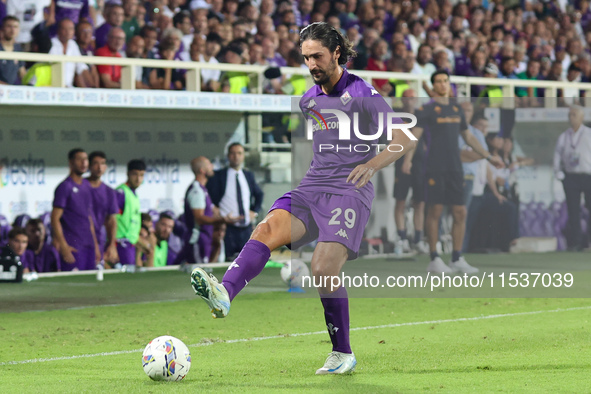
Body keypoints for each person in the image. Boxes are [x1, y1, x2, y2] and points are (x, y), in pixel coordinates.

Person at [191, 22, 416, 375]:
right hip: (312, 186)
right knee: (266, 229)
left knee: (323, 268)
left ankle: (342, 352)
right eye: (306, 57)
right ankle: (225, 293)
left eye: (318, 57)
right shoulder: (308, 100)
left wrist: (371, 164)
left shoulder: (362, 94)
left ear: (337, 53)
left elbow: (406, 138)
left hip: (348, 190)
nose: (311, 65)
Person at [401, 69, 503, 274]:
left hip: (456, 169)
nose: (442, 84)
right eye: (438, 81)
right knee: (435, 211)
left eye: (445, 81)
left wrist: (489, 156)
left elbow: (469, 138)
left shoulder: (457, 109)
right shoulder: (426, 110)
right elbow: (414, 137)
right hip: (435, 168)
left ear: (449, 84)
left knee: (460, 211)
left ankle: (457, 258)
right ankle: (434, 258)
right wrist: (407, 160)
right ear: (433, 86)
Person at [177, 156, 239, 266]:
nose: (212, 167)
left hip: (204, 239)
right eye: (209, 164)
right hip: (197, 239)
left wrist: (227, 216)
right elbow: (199, 218)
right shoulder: (197, 191)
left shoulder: (203, 189)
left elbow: (212, 210)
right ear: (202, 170)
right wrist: (222, 220)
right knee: (199, 273)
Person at [206, 143, 264, 260]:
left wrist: (254, 212)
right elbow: (207, 195)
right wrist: (213, 208)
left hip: (246, 229)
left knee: (247, 263)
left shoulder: (248, 175)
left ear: (243, 156)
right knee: (228, 264)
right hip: (228, 229)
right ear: (228, 156)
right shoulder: (219, 176)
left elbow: (259, 194)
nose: (236, 156)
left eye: (239, 153)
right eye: (232, 153)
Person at [51, 148, 100, 271]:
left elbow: (89, 218)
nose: (84, 163)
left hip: (88, 246)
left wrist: (96, 246)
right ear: (71, 163)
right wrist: (63, 245)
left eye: (86, 160)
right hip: (73, 246)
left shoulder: (87, 186)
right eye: (79, 160)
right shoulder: (65, 187)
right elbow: (55, 218)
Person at [393, 89, 428, 254]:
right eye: (406, 98)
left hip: (419, 164)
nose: (410, 101)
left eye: (412, 98)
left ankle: (418, 239)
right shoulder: (396, 116)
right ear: (402, 100)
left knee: (419, 202)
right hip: (401, 162)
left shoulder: (421, 116)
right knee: (400, 200)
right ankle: (402, 238)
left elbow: (425, 141)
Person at [554, 105, 591, 251]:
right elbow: (557, 155)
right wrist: (558, 171)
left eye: (574, 115)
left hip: (588, 175)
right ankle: (576, 243)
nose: (571, 118)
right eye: (570, 115)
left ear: (582, 117)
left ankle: (589, 241)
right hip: (570, 177)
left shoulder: (588, 134)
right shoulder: (564, 136)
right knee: (573, 210)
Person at [87, 151, 119, 265]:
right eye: (96, 163)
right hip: (81, 240)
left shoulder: (109, 191)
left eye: (102, 163)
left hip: (99, 240)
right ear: (89, 165)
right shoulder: (81, 187)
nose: (99, 167)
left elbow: (112, 220)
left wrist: (112, 245)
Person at [115, 159, 146, 267]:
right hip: (121, 243)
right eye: (135, 174)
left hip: (131, 244)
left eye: (141, 175)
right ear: (128, 174)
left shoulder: (134, 195)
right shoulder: (121, 192)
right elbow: (111, 218)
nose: (138, 179)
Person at [48, 18, 91, 88]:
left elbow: (81, 67)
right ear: (58, 31)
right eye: (65, 29)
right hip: (50, 87)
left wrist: (93, 88)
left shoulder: (73, 45)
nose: (68, 32)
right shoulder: (50, 44)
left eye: (71, 29)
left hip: (69, 88)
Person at [0, 16, 26, 85]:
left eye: (15, 27)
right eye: (9, 26)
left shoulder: (18, 48)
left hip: (12, 92)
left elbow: (22, 72)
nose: (12, 30)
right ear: (2, 28)